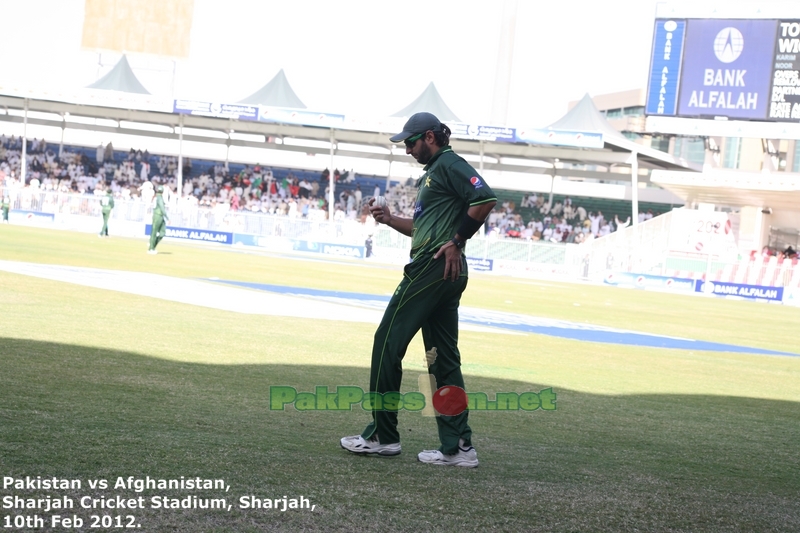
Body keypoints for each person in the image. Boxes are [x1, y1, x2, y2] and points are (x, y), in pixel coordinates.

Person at [340, 112, 497, 468]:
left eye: (410, 142)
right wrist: (390, 219)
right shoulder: (435, 174)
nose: (407, 149)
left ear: (430, 137)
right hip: (448, 272)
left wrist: (457, 240)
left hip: (431, 267)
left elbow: (484, 199)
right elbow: (423, 229)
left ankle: (382, 436)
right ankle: (457, 448)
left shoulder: (448, 164)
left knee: (386, 343)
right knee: (442, 360)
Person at [148, 185, 170, 254]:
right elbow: (162, 208)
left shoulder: (156, 197)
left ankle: (153, 245)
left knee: (161, 233)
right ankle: (151, 248)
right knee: (154, 233)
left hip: (159, 216)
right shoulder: (159, 198)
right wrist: (167, 218)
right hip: (158, 215)